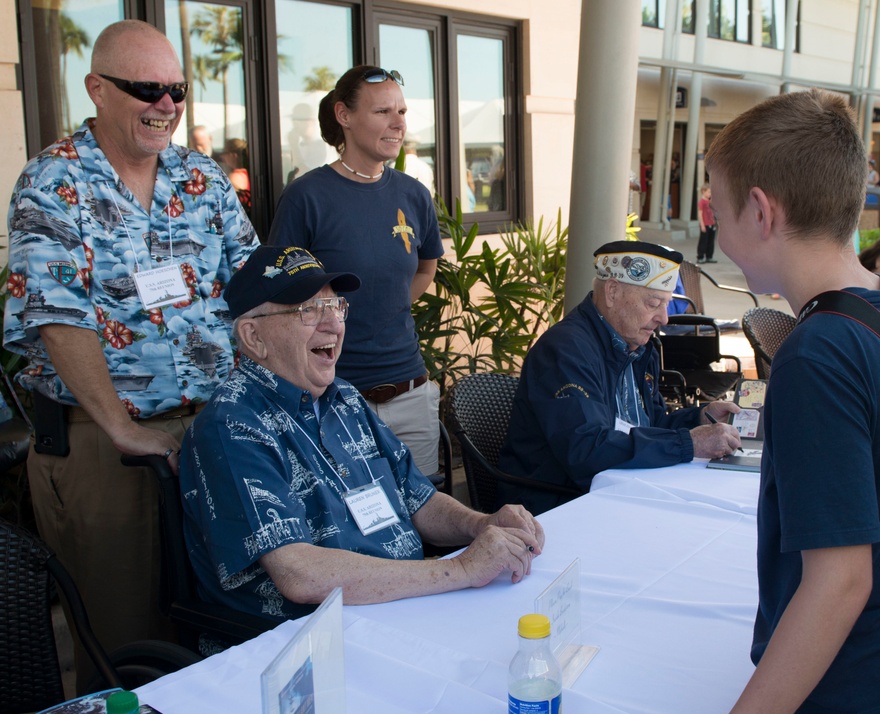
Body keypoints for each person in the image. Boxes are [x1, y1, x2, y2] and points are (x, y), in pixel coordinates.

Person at [2, 19, 259, 684]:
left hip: (211, 431)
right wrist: (121, 427)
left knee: (219, 617)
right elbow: (58, 318)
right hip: (104, 443)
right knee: (127, 647)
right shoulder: (53, 183)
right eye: (146, 87)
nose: (167, 105)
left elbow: (257, 291)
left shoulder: (202, 178)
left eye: (176, 88)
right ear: (97, 89)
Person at [705, 89, 880, 712]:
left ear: (761, 212)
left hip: (867, 687)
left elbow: (840, 581)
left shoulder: (817, 355)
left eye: (717, 211)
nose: (716, 236)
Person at [180, 245, 544, 619]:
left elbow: (418, 500)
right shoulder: (233, 425)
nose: (334, 324)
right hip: (309, 643)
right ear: (254, 337)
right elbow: (299, 574)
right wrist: (461, 570)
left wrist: (481, 524)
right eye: (308, 310)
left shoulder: (345, 399)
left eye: (335, 306)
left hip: (402, 606)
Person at [269, 66, 443, 478]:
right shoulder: (306, 196)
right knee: (351, 527)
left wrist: (384, 309)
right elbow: (278, 295)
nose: (398, 123)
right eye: (383, 111)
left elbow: (424, 269)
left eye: (401, 111)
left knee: (427, 525)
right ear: (344, 115)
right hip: (332, 396)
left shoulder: (414, 194)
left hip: (410, 394)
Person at [497, 241, 741, 515]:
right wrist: (689, 443)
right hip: (557, 508)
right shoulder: (565, 350)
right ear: (612, 292)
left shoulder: (638, 344)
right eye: (653, 303)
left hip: (621, 492)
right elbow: (587, 450)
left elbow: (651, 424)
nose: (664, 318)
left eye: (667, 305)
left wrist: (700, 418)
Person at [696, 183, 717, 264]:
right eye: (709, 192)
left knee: (711, 241)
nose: (710, 194)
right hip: (705, 224)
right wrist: (702, 225)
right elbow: (700, 213)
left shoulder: (710, 201)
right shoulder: (702, 202)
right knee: (703, 241)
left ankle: (709, 256)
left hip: (711, 223)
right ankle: (700, 256)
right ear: (703, 191)